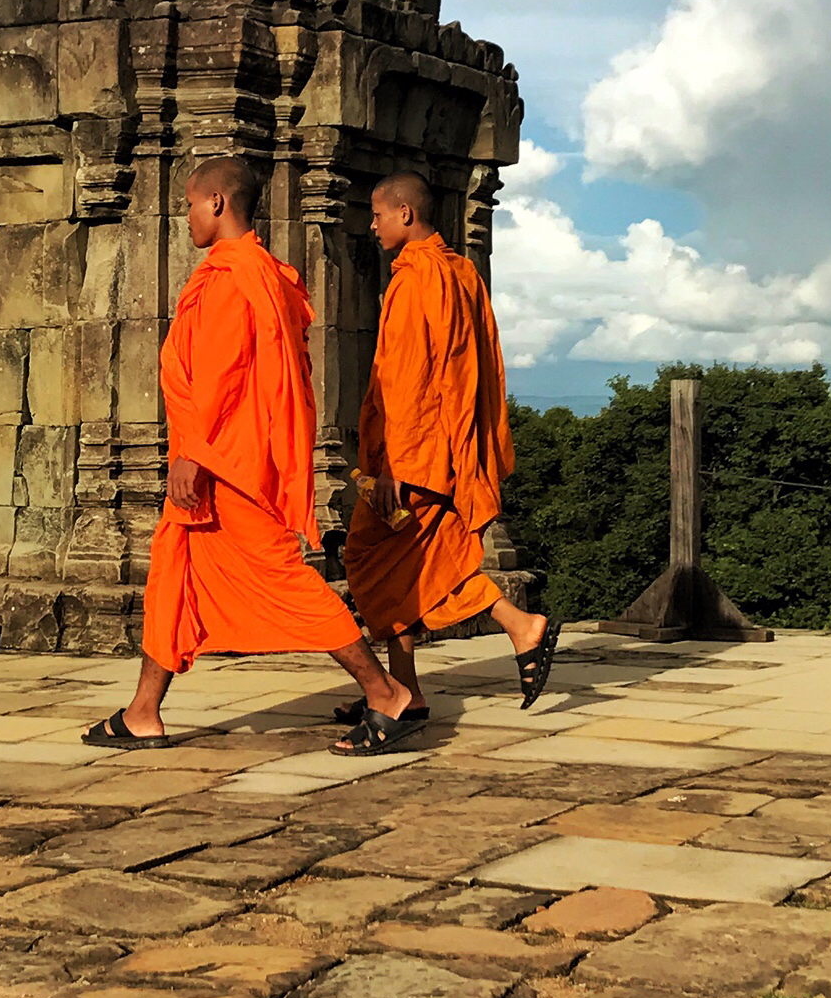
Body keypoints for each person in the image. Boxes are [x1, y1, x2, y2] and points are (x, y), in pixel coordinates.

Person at [85, 155, 420, 754]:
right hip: (231, 454)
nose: (186, 217)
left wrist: (190, 453)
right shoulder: (263, 273)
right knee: (174, 571)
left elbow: (220, 378)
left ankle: (383, 692)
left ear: (216, 202)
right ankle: (143, 711)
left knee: (284, 580)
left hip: (222, 463)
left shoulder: (233, 278)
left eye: (190, 204)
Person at [342, 171, 561, 722]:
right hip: (447, 448)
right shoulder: (461, 272)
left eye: (377, 214)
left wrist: (392, 463)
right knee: (408, 568)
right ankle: (407, 690)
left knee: (369, 562)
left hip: (413, 456)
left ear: (405, 214)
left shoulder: (417, 279)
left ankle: (519, 624)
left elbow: (409, 379)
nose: (372, 225)